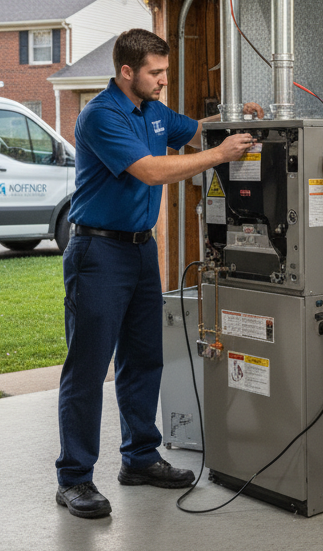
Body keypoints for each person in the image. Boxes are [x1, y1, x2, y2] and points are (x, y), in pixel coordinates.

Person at [56, 28, 263, 519]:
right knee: (88, 367)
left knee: (144, 358)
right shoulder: (101, 115)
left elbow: (194, 130)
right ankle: (74, 478)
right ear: (127, 71)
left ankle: (140, 458)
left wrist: (234, 121)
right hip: (98, 253)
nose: (164, 80)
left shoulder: (152, 110)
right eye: (156, 72)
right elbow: (150, 170)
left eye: (165, 71)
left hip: (140, 251)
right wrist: (220, 154)